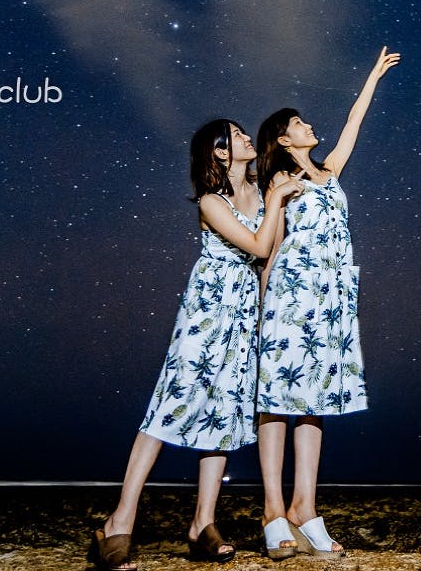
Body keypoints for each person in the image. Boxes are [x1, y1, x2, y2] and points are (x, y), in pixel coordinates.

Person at [90, 119, 307, 571]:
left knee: (223, 411)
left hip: (246, 313)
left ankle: (202, 524)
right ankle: (119, 520)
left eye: (246, 133)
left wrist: (270, 313)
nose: (248, 137)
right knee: (168, 406)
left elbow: (275, 254)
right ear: (221, 153)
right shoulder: (213, 200)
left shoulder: (263, 191)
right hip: (208, 311)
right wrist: (275, 201)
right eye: (237, 136)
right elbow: (257, 245)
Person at [254, 47, 400, 560]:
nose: (308, 124)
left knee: (315, 403)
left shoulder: (329, 172)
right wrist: (262, 299)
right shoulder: (276, 181)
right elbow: (268, 244)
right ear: (281, 138)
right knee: (275, 398)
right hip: (291, 294)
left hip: (332, 298)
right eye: (298, 122)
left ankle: (304, 507)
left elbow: (353, 122)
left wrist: (372, 78)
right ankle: (273, 510)